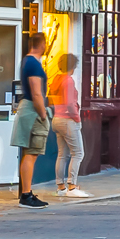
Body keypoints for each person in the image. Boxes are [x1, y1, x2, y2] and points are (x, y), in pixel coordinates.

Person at [13, 31, 51, 207]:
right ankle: (26, 195)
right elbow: (37, 92)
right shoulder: (34, 64)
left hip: (27, 109)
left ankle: (26, 193)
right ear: (42, 44)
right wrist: (43, 114)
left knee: (29, 153)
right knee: (32, 153)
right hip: (33, 111)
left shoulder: (26, 62)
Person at [50, 51, 85, 196]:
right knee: (78, 153)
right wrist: (77, 118)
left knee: (62, 154)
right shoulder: (68, 81)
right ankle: (72, 185)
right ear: (72, 66)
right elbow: (70, 103)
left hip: (57, 118)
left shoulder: (56, 80)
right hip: (68, 120)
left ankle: (60, 186)